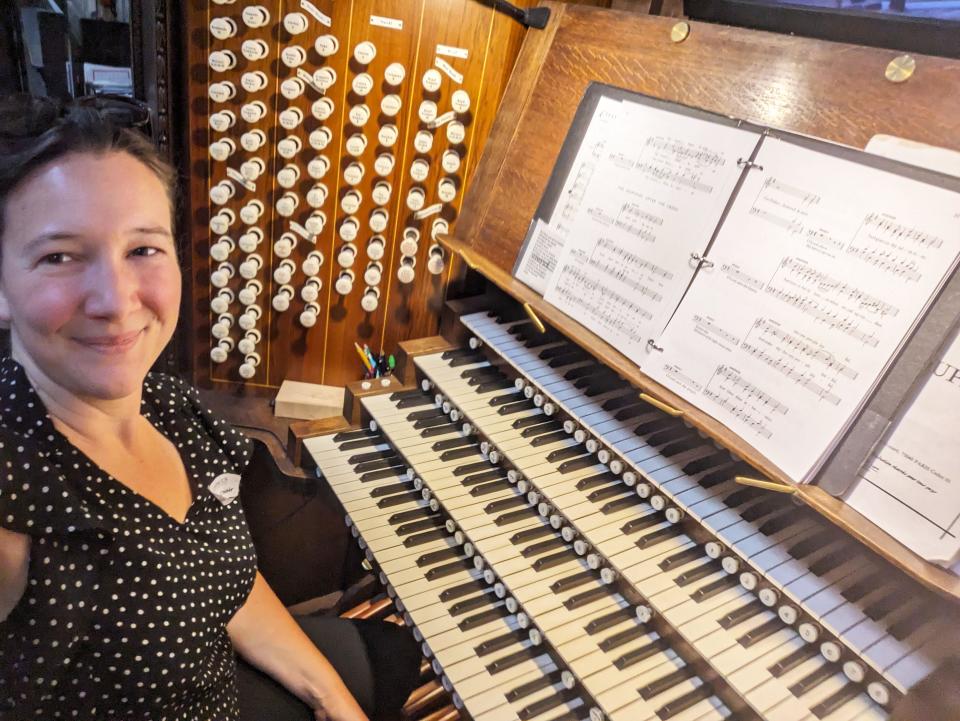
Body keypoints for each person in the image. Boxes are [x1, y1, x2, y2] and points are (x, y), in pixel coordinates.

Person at [0, 95, 420, 720]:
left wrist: (329, 699)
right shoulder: (13, 494)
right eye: (59, 256)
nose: (116, 300)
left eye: (142, 249)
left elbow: (222, 574)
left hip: (215, 685)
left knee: (391, 654)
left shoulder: (169, 407)